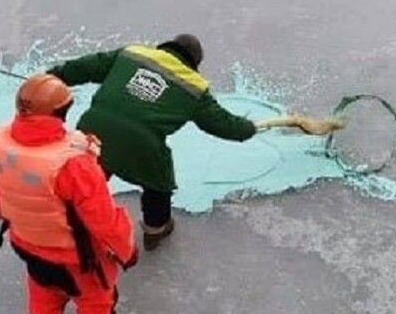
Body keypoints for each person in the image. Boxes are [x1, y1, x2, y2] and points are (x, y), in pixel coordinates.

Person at [0, 74, 153, 314]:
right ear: (63, 111)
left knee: (43, 301)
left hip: (28, 246)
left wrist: (28, 221)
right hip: (78, 259)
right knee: (96, 308)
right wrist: (128, 252)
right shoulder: (73, 164)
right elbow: (102, 220)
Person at [47, 34, 257, 250]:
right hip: (142, 145)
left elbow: (86, 66)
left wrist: (52, 78)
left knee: (87, 174)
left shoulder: (132, 54)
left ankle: (68, 218)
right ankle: (155, 228)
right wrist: (249, 128)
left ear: (165, 47)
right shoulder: (194, 88)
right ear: (194, 64)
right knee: (159, 181)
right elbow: (223, 124)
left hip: (93, 128)